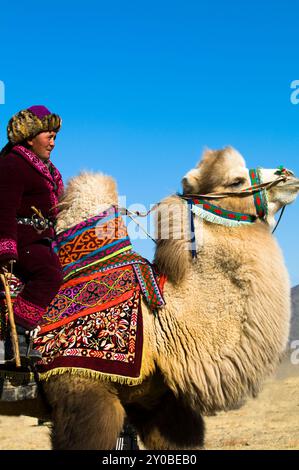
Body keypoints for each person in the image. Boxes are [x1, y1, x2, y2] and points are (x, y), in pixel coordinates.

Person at [0, 105, 64, 361]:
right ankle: (16, 339)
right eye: (49, 135)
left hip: (44, 237)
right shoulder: (12, 164)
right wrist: (6, 249)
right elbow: (3, 208)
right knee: (49, 274)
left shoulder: (48, 170)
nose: (53, 142)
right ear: (30, 136)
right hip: (22, 236)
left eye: (55, 137)